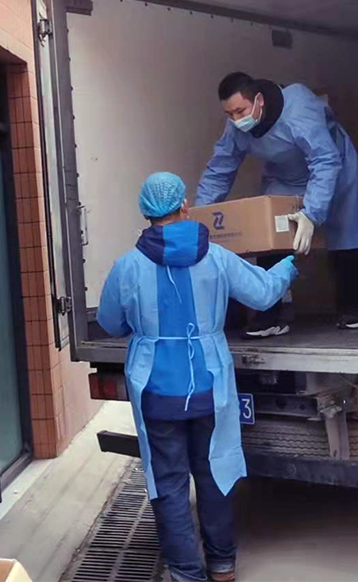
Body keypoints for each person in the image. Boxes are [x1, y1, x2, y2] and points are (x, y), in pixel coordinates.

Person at [98, 173, 297, 582]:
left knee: (168, 482)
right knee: (215, 473)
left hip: (155, 391)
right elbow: (262, 294)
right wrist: (291, 263)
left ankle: (186, 573)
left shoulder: (127, 267)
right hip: (210, 387)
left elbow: (110, 322)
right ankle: (222, 566)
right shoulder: (217, 257)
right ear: (184, 206)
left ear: (145, 212)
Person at [196, 72, 358, 338]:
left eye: (240, 111)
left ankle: (356, 307)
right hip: (286, 178)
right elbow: (220, 168)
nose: (235, 120)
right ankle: (269, 315)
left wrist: (311, 214)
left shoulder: (299, 109)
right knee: (271, 235)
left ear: (259, 100)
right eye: (229, 114)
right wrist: (201, 216)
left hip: (334, 168)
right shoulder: (236, 127)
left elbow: (324, 160)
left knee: (349, 232)